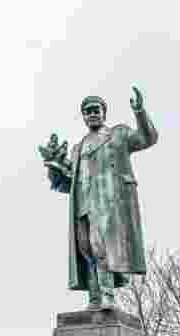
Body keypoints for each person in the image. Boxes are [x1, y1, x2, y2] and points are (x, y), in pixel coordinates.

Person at [42, 88, 159, 310]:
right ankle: (95, 298)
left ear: (104, 112)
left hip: (109, 203)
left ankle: (107, 297)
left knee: (100, 247)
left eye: (96, 109)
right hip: (82, 206)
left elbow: (147, 138)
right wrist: (53, 168)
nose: (92, 114)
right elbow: (68, 184)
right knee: (87, 251)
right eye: (87, 111)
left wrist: (139, 111)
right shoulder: (78, 148)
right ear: (84, 116)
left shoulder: (118, 135)